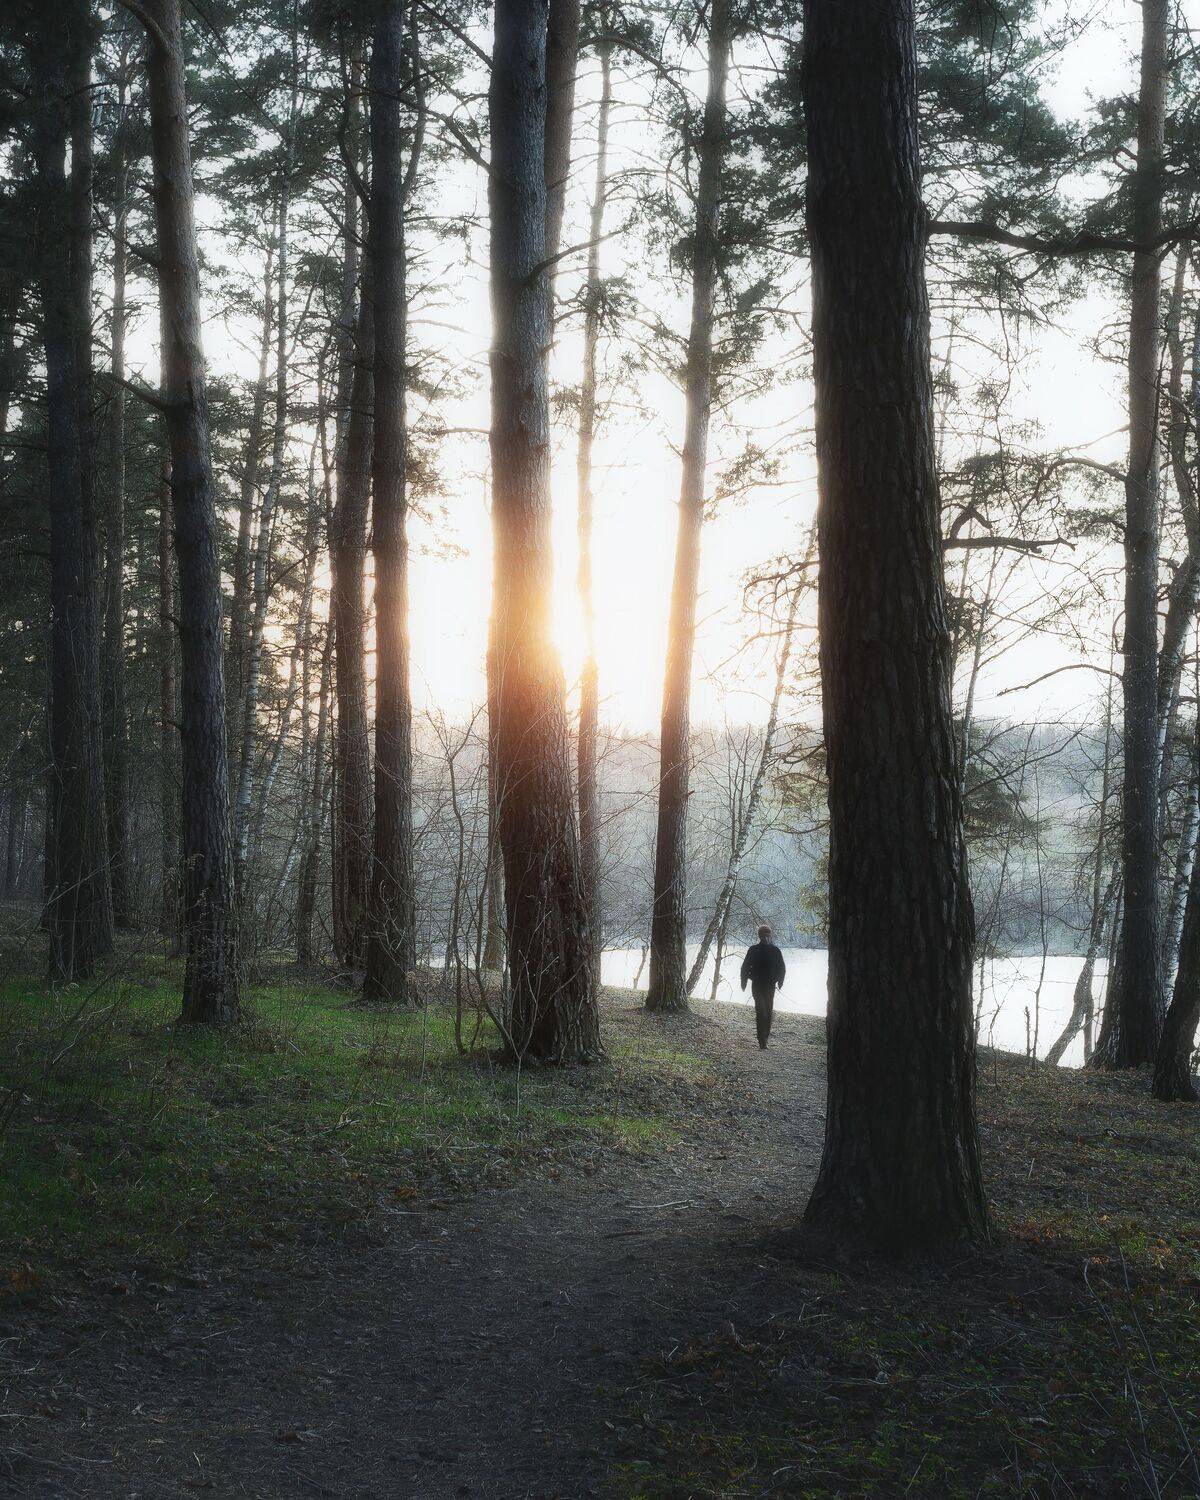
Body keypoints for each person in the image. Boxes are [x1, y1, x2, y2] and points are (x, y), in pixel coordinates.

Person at [740, 924, 786, 1049]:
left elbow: (782, 968)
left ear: (770, 935)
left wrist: (780, 981)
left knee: (769, 1012)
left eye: (767, 934)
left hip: (770, 986)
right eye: (763, 935)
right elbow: (745, 967)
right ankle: (762, 1041)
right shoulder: (753, 949)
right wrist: (743, 982)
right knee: (761, 1011)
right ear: (759, 936)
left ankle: (765, 1037)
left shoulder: (775, 951)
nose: (765, 937)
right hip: (757, 986)